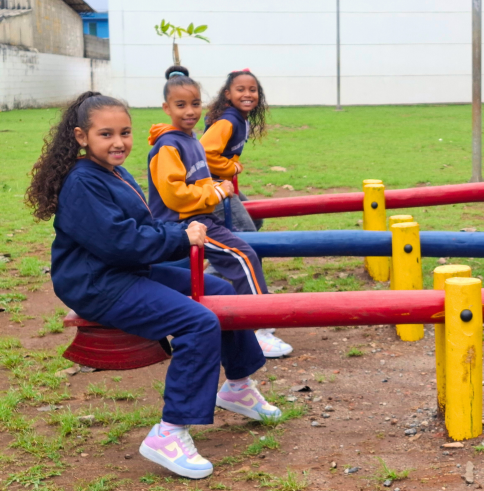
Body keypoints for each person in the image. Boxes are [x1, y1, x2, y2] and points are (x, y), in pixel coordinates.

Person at [26, 92, 282, 479]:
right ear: (81, 136)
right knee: (198, 322)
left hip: (126, 270)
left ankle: (238, 386)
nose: (118, 142)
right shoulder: (82, 182)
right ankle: (169, 431)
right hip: (99, 284)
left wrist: (180, 231)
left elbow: (140, 230)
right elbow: (120, 242)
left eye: (125, 132)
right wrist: (181, 237)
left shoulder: (113, 172)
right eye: (106, 134)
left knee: (223, 293)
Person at [148, 65, 293, 359]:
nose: (190, 111)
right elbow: (175, 195)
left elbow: (197, 179)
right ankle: (258, 328)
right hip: (185, 223)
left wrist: (216, 188)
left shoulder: (189, 139)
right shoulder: (169, 146)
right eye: (181, 105)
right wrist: (216, 190)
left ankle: (247, 311)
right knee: (244, 255)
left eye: (195, 104)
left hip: (199, 216)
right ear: (166, 108)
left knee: (240, 252)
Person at [200, 68, 267, 233]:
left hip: (220, 182)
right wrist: (231, 167)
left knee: (256, 219)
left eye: (253, 90)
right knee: (247, 231)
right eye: (240, 90)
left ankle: (225, 247)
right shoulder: (228, 121)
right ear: (228, 94)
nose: (247, 94)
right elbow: (204, 153)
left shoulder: (240, 118)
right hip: (209, 185)